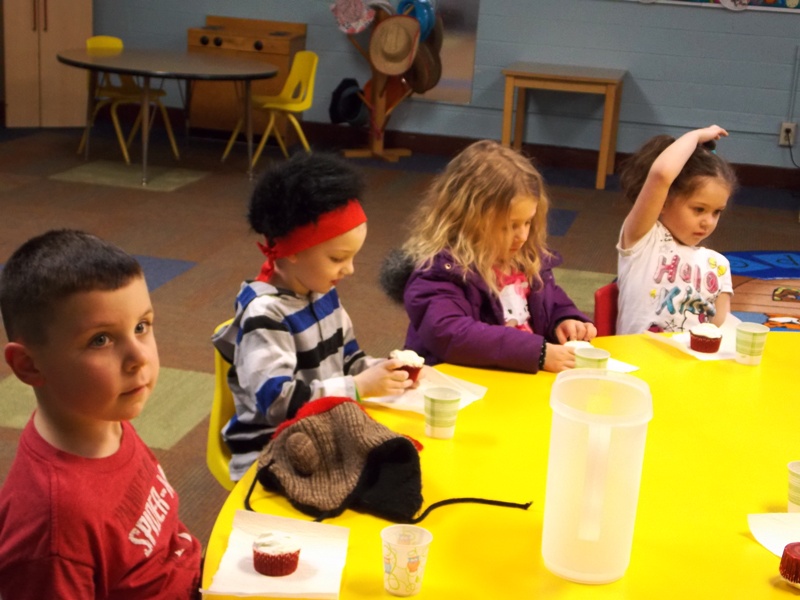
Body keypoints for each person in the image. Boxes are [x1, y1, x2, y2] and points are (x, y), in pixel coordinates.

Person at [0, 229, 201, 599]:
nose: (139, 357)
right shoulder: (54, 526)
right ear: (28, 365)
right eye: (101, 340)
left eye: (141, 327)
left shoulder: (106, 419)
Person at [212, 152, 415, 481]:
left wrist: (385, 370)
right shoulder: (265, 315)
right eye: (337, 258)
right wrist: (358, 387)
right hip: (273, 450)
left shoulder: (322, 293)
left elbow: (349, 361)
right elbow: (276, 403)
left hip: (323, 430)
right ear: (293, 250)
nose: (349, 269)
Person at [380, 140, 596, 374]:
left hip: (517, 376)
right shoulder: (440, 271)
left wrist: (565, 320)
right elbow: (450, 333)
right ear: (471, 221)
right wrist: (537, 352)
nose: (523, 236)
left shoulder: (525, 260)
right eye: (509, 226)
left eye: (528, 222)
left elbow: (551, 303)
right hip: (461, 382)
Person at [616, 125, 738, 334]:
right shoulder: (644, 239)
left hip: (691, 354)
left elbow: (718, 327)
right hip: (638, 353)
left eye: (716, 212)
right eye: (699, 209)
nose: (708, 222)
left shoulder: (718, 264)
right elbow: (662, 174)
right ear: (663, 201)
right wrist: (696, 136)